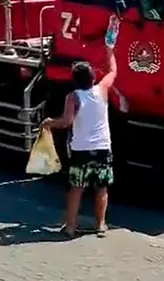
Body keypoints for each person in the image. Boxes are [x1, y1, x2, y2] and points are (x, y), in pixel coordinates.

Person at [41, 43, 117, 237]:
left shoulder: (73, 97)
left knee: (76, 189)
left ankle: (70, 227)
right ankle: (100, 225)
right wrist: (109, 50)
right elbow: (113, 71)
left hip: (81, 150)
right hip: (102, 147)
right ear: (92, 77)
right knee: (101, 188)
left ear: (74, 80)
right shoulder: (102, 90)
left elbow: (66, 122)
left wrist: (49, 122)